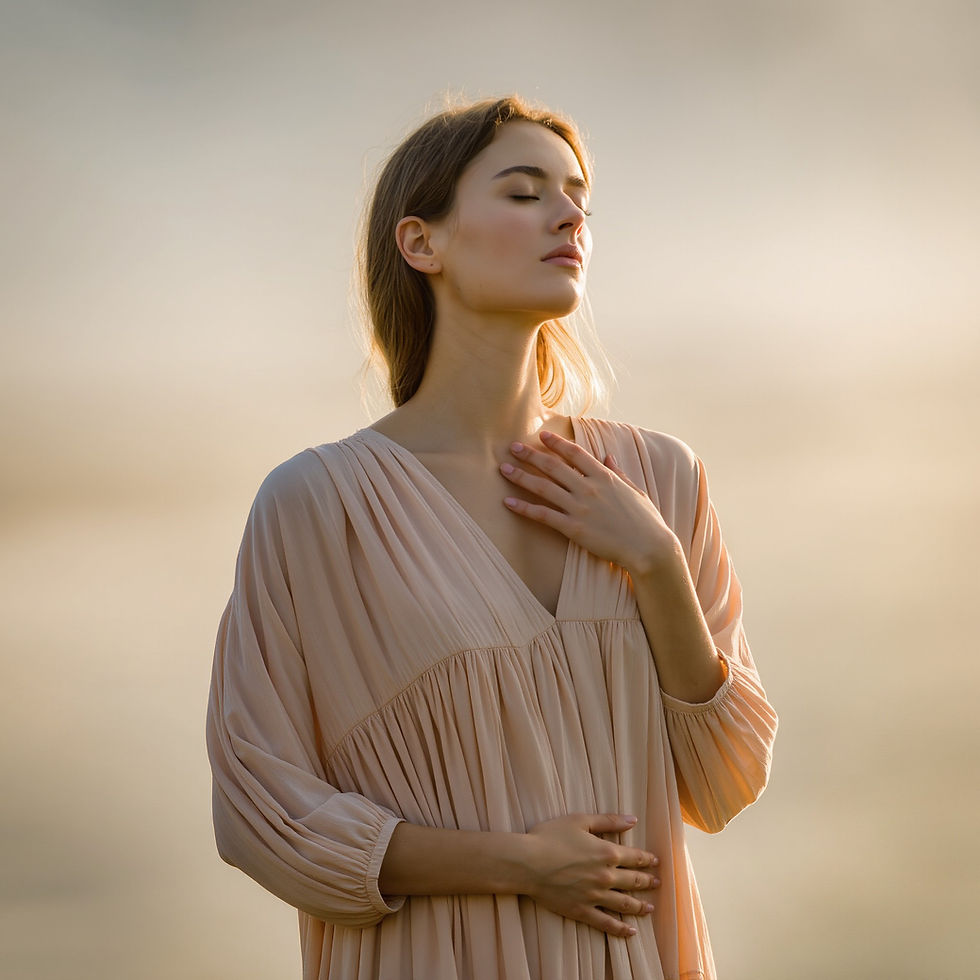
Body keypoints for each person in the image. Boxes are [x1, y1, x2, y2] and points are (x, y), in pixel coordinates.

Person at [206, 95, 778, 980]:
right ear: (421, 243)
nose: (568, 216)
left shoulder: (659, 480)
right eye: (524, 192)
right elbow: (261, 812)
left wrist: (658, 564)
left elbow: (724, 781)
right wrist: (520, 864)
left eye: (579, 198)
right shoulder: (319, 505)